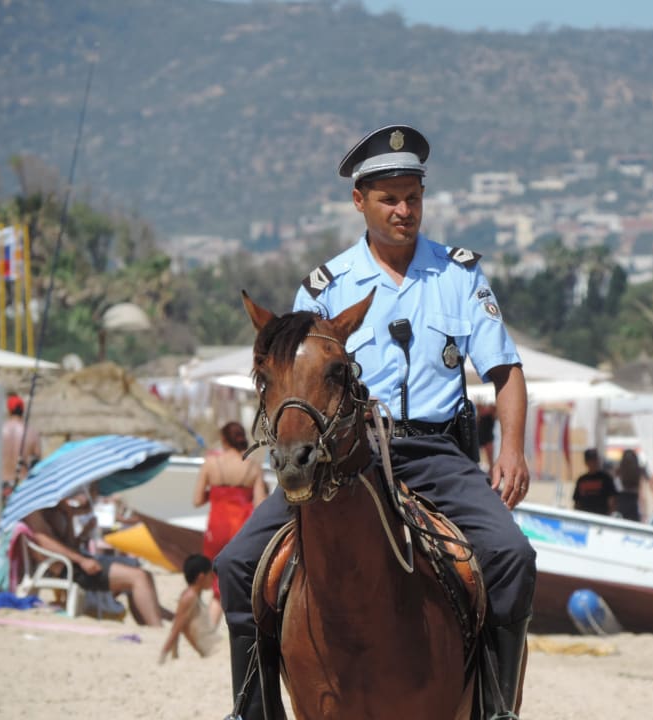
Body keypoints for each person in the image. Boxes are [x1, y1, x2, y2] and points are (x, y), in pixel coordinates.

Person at [215, 124, 536, 720]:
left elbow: (506, 372)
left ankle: (495, 708)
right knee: (237, 566)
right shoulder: (324, 288)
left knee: (511, 555)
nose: (404, 210)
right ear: (359, 202)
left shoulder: (460, 276)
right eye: (389, 198)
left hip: (438, 455)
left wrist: (512, 451)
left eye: (412, 196)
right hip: (347, 456)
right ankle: (253, 710)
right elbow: (290, 382)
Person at [23, 492, 168, 626]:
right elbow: (43, 541)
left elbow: (70, 543)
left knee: (142, 572)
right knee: (139, 577)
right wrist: (81, 560)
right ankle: (156, 627)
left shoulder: (56, 506)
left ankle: (151, 621)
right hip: (66, 567)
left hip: (74, 561)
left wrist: (71, 517)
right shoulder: (33, 509)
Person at [193, 421, 267, 626]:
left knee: (215, 579)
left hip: (217, 527)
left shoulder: (211, 463)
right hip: (241, 528)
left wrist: (216, 494)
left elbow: (197, 500)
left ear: (224, 440)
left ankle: (208, 625)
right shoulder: (253, 467)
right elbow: (260, 506)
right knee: (239, 579)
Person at [159, 554, 221, 663]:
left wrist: (175, 654)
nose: (213, 578)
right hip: (213, 650)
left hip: (214, 647)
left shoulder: (192, 595)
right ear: (201, 577)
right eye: (211, 575)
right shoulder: (189, 597)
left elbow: (178, 626)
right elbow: (176, 628)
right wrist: (164, 656)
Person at [1, 393, 41, 498]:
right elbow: (37, 462)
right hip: (21, 486)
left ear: (9, 410)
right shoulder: (32, 432)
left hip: (0, 484)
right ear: (22, 410)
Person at [572, 448, 617, 516]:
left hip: (602, 518)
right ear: (586, 462)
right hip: (585, 518)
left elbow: (612, 500)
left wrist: (609, 516)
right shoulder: (581, 480)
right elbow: (577, 502)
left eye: (595, 459)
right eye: (591, 460)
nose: (593, 462)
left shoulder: (606, 478)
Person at [615, 448, 644, 521]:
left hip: (623, 499)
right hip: (631, 499)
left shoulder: (619, 471)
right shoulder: (637, 471)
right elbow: (641, 493)